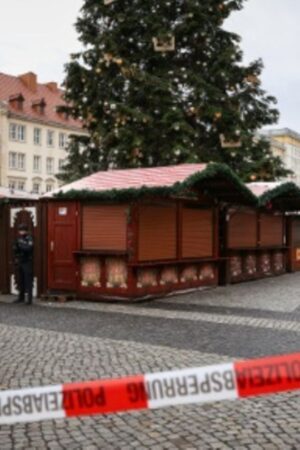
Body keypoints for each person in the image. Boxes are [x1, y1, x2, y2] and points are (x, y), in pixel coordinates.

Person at [13, 223, 34, 305]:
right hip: (20, 261)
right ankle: (21, 298)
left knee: (28, 280)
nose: (21, 232)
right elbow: (15, 248)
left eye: (22, 230)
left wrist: (20, 245)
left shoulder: (29, 238)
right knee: (20, 280)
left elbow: (28, 248)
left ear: (26, 230)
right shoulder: (19, 238)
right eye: (20, 230)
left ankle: (29, 299)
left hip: (27, 261)